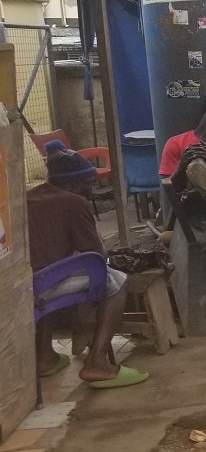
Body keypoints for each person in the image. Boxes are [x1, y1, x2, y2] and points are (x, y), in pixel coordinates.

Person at [27, 142, 149, 389]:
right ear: (72, 184)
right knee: (115, 282)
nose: (91, 190)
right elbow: (94, 254)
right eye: (88, 184)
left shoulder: (29, 197)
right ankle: (97, 362)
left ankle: (44, 358)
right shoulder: (74, 202)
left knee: (46, 283)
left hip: (25, 284)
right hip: (44, 284)